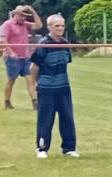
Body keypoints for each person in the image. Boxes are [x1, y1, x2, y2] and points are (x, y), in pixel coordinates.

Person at [29, 14, 77, 158]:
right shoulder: (43, 44)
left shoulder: (65, 43)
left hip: (63, 87)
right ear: (49, 27)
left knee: (67, 118)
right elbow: (34, 66)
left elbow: (66, 62)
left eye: (62, 26)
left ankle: (69, 148)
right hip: (47, 88)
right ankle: (42, 148)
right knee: (45, 119)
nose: (60, 28)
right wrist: (34, 83)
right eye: (57, 26)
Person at [0, 4, 41, 110]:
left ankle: (35, 102)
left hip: (25, 56)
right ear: (15, 14)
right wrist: (11, 52)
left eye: (25, 16)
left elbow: (39, 25)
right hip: (12, 58)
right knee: (11, 79)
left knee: (30, 78)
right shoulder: (7, 24)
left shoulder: (25, 25)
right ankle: (7, 101)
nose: (24, 18)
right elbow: (3, 40)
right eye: (22, 15)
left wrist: (33, 11)